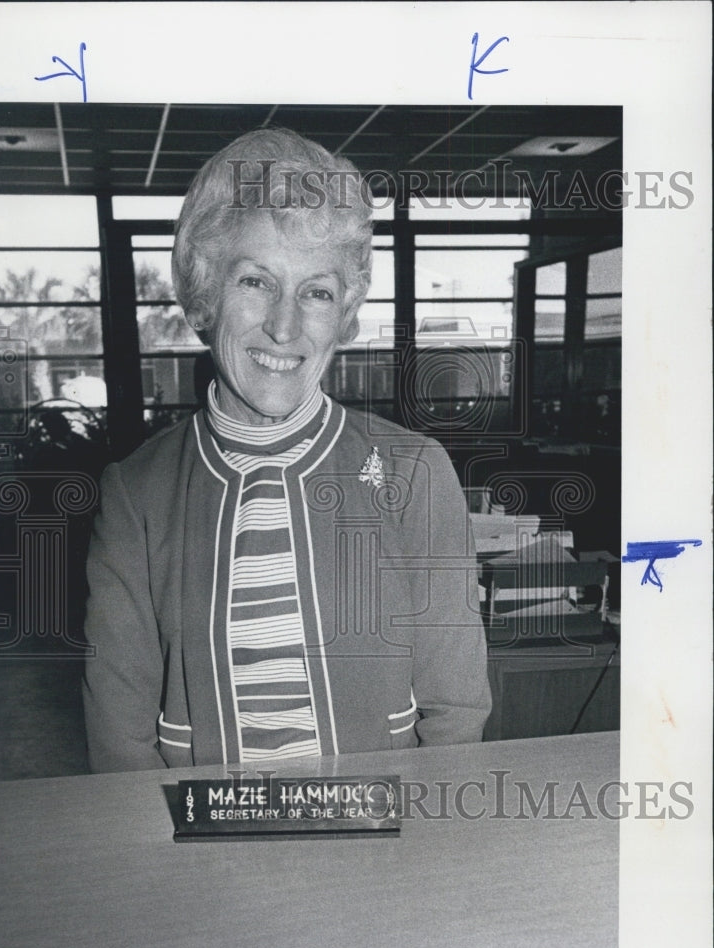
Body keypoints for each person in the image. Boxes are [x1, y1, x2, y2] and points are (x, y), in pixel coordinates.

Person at [82, 128, 490, 773]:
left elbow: (458, 709)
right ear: (204, 297)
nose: (285, 324)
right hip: (203, 845)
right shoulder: (137, 492)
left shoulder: (416, 471)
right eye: (255, 282)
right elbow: (117, 740)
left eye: (317, 291)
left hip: (381, 832)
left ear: (347, 312)